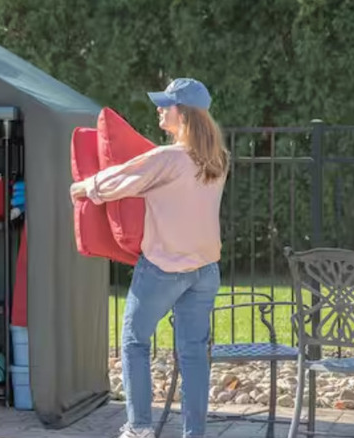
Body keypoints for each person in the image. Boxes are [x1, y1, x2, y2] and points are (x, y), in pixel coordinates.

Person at [70, 78, 229, 438]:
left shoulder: (168, 158)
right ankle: (194, 434)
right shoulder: (218, 159)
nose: (159, 109)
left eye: (165, 104)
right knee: (192, 355)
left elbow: (121, 179)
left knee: (134, 342)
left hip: (164, 269)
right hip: (205, 271)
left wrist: (81, 189)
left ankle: (139, 428)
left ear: (182, 113)